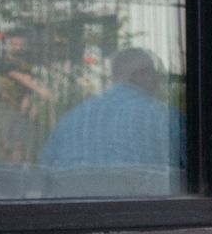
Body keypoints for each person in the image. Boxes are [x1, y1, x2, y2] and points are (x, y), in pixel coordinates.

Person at [38, 46, 183, 175]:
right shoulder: (165, 117)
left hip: (74, 204)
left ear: (114, 77)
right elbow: (196, 175)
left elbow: (45, 172)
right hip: (146, 204)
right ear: (141, 75)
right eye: (156, 76)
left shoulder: (71, 119)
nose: (158, 83)